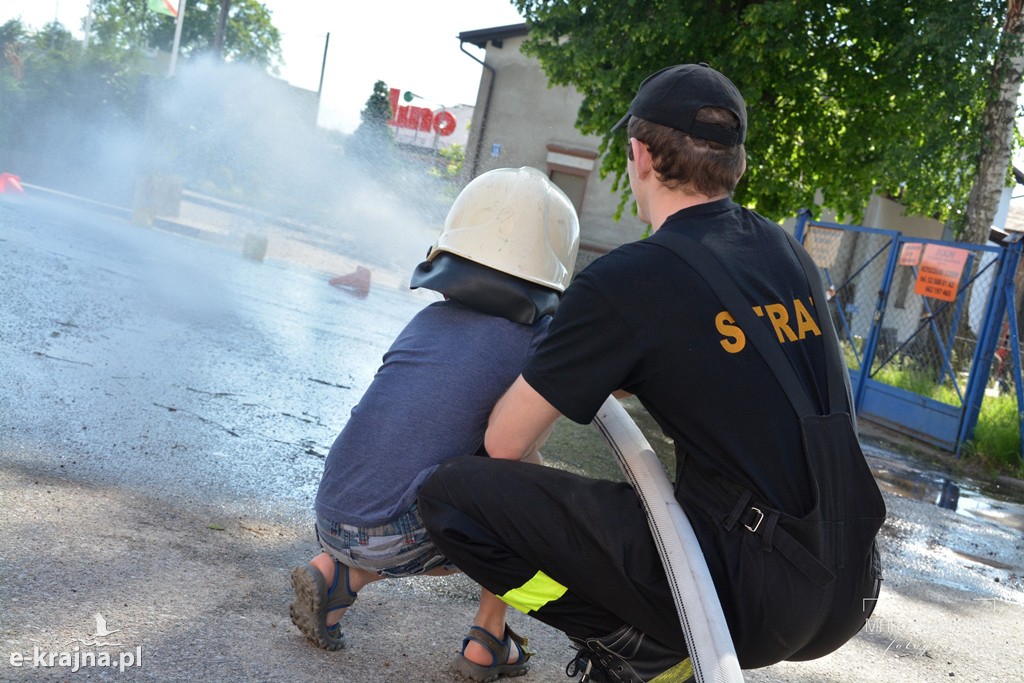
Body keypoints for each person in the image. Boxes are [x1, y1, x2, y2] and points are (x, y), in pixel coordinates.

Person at [418, 64, 886, 682]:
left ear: (638, 154)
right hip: (850, 579)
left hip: (745, 601)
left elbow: (506, 442)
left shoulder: (629, 280)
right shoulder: (786, 252)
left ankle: (637, 648)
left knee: (452, 500)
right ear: (736, 163)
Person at [289, 166, 580, 681]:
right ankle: (488, 639)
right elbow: (522, 442)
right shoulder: (534, 342)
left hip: (331, 510)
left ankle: (338, 576)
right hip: (388, 529)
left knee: (478, 467)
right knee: (529, 493)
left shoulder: (428, 320)